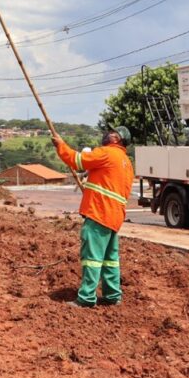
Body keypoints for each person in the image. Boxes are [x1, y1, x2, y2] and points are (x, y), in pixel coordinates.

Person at [55, 126, 134, 308]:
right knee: (109, 259)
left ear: (117, 139)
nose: (107, 134)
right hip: (114, 217)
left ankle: (86, 298)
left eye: (111, 133)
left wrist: (60, 145)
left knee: (92, 257)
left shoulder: (107, 153)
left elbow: (77, 160)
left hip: (99, 213)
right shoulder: (126, 162)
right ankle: (112, 295)